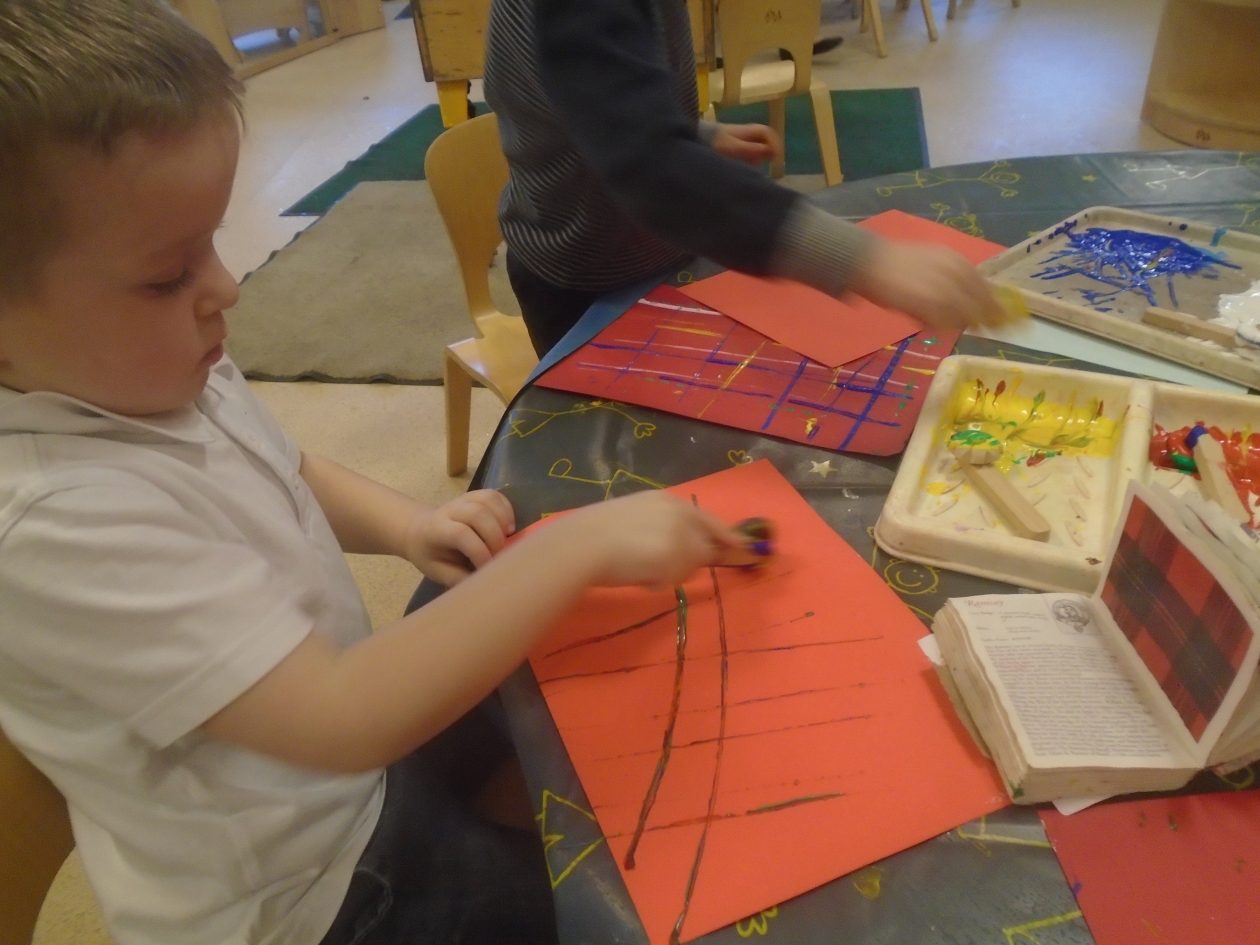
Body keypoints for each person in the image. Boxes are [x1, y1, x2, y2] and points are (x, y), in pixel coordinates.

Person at [0, 3, 748, 943]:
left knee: (531, 607)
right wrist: (577, 551)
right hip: (323, 889)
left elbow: (289, 465)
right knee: (622, 906)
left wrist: (405, 524)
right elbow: (341, 717)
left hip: (344, 757)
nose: (225, 287)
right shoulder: (56, 519)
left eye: (212, 244)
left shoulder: (138, 367)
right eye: (166, 275)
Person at [484, 0, 1007, 356]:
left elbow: (595, 93)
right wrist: (868, 261)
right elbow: (647, 167)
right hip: (583, 275)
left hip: (655, 250)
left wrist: (692, 135)